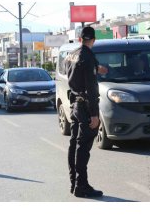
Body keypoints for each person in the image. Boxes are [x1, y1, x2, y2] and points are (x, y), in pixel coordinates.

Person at [66, 26, 106, 198]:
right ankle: (82, 186)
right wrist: (95, 115)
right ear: (94, 40)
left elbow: (79, 73)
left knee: (74, 143)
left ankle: (74, 183)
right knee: (83, 147)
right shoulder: (88, 57)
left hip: (74, 104)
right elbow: (90, 87)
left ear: (80, 39)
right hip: (85, 107)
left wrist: (97, 68)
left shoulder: (72, 55)